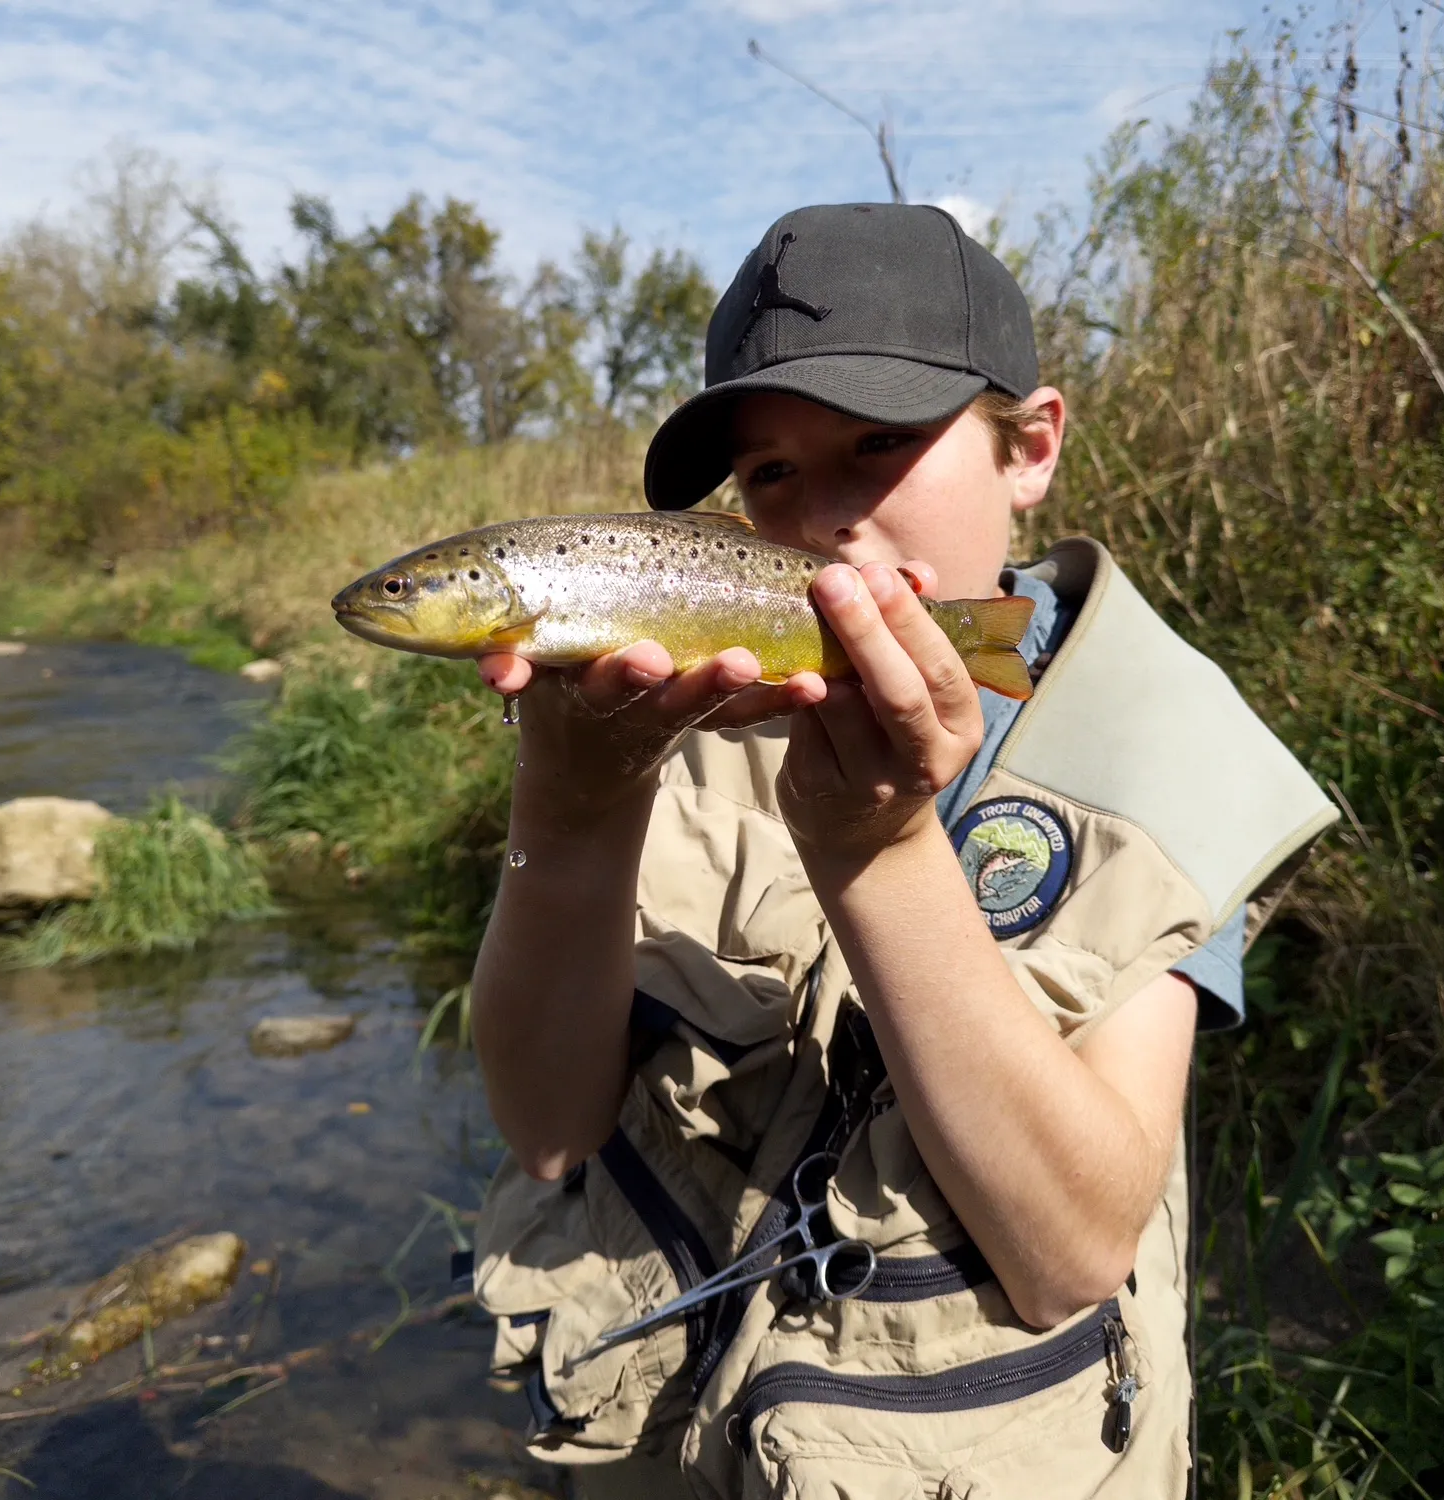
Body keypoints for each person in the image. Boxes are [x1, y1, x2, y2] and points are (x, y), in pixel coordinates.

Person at [467, 203, 1336, 1500]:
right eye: (768, 475)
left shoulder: (1153, 751)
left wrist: (874, 851)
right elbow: (548, 1133)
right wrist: (568, 816)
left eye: (880, 445)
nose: (825, 521)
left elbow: (1069, 1249)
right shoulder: (701, 714)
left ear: (1030, 448)